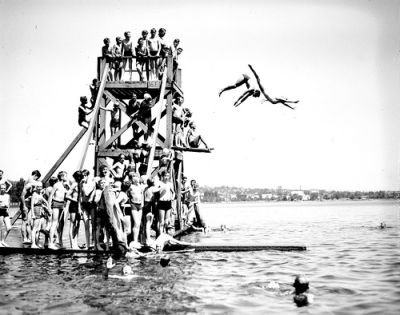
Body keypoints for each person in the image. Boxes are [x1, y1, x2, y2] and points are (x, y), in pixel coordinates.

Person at [20, 170, 42, 244]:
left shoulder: (33, 184)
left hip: (30, 203)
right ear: (35, 176)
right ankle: (24, 238)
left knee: (28, 222)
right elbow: (22, 196)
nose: (37, 180)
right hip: (25, 203)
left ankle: (29, 238)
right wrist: (24, 206)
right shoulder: (28, 184)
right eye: (37, 178)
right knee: (24, 221)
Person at [48, 171, 68, 249]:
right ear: (62, 177)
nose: (67, 177)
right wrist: (49, 208)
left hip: (62, 204)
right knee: (54, 223)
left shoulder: (65, 185)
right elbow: (50, 196)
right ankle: (50, 243)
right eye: (66, 176)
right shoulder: (56, 185)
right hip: (56, 203)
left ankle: (60, 242)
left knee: (61, 224)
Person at [66, 171, 83, 249]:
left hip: (79, 205)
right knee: (72, 224)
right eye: (78, 177)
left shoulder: (81, 184)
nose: (79, 178)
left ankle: (76, 242)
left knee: (78, 224)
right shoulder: (74, 184)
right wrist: (74, 200)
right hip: (74, 205)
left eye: (80, 176)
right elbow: (67, 195)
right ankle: (72, 244)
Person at [127, 173, 144, 246]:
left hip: (140, 205)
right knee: (136, 222)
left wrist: (142, 203)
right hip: (133, 204)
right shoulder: (130, 186)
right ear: (132, 179)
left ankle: (136, 240)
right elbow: (126, 193)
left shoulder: (140, 186)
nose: (136, 179)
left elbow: (142, 194)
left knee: (138, 224)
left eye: (137, 177)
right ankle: (134, 240)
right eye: (134, 177)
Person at [30, 182, 49, 248]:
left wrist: (46, 205)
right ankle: (33, 244)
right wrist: (32, 214)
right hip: (36, 210)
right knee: (35, 228)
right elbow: (32, 205)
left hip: (40, 210)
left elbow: (43, 201)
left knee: (38, 229)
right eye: (39, 187)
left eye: (41, 186)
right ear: (36, 187)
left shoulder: (40, 194)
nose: (40, 188)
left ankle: (37, 243)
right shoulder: (34, 194)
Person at [80, 169, 96, 249]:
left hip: (91, 204)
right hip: (84, 205)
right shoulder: (81, 184)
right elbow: (81, 195)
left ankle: (93, 243)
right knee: (86, 225)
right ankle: (88, 244)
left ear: (87, 176)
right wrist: (80, 207)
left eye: (85, 176)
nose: (83, 178)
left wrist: (83, 185)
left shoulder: (92, 183)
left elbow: (87, 193)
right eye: (82, 176)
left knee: (93, 224)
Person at [157, 171, 175, 237]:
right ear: (162, 176)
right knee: (161, 222)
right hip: (162, 202)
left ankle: (165, 235)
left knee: (166, 221)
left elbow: (173, 192)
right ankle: (160, 236)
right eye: (165, 176)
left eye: (168, 176)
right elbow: (156, 191)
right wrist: (160, 189)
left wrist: (172, 197)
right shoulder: (159, 183)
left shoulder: (170, 184)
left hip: (168, 202)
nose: (166, 177)